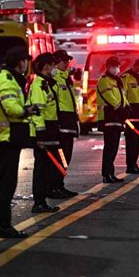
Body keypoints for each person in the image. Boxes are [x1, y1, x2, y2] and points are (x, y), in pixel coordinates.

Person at [0, 46, 37, 238]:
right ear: (19, 62)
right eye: (25, 60)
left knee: (8, 181)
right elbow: (11, 108)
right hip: (5, 138)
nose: (26, 64)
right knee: (6, 182)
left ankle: (4, 224)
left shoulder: (10, 79)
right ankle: (4, 225)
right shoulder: (7, 80)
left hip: (9, 137)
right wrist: (27, 110)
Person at [28, 52, 63, 213]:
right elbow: (38, 112)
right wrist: (40, 135)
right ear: (46, 66)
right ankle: (39, 202)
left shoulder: (45, 83)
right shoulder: (38, 85)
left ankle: (42, 201)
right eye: (52, 65)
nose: (54, 68)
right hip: (43, 131)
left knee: (46, 168)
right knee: (41, 168)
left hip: (49, 129)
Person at [51, 50, 79, 198]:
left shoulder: (65, 78)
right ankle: (55, 187)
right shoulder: (55, 78)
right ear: (57, 62)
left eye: (68, 61)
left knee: (66, 158)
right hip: (62, 123)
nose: (67, 63)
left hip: (69, 122)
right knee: (61, 157)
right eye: (64, 61)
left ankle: (59, 185)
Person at [97, 56, 129, 183]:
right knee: (109, 147)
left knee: (114, 147)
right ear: (108, 67)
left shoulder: (117, 81)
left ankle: (111, 173)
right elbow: (110, 97)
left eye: (117, 66)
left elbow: (123, 96)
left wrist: (127, 107)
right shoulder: (104, 80)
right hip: (108, 117)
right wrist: (121, 109)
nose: (116, 69)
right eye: (114, 66)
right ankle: (106, 174)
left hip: (116, 118)